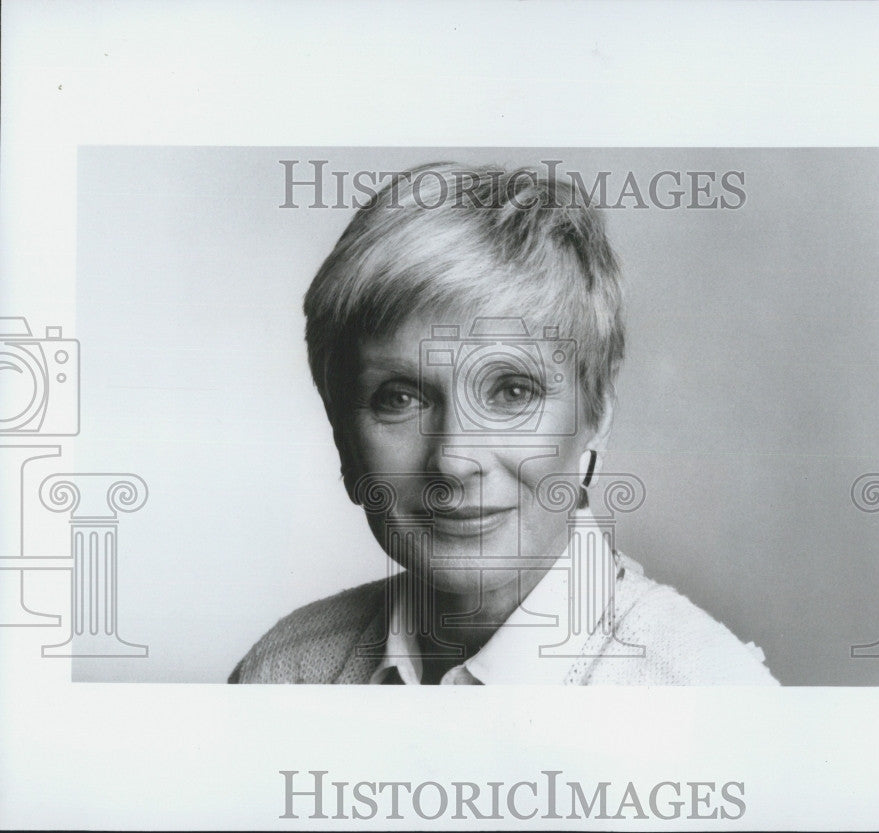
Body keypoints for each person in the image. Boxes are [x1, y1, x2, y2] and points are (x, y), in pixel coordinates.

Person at [229, 162, 778, 685]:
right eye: (399, 398)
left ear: (597, 414)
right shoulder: (284, 671)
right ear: (343, 439)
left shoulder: (704, 695)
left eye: (513, 392)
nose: (454, 458)